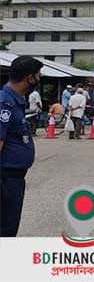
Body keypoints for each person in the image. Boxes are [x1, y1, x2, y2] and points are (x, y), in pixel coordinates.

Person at [1, 55, 44, 236]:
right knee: (5, 229)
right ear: (29, 78)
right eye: (38, 76)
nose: (39, 80)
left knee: (9, 226)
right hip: (5, 179)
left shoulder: (16, 101)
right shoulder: (5, 103)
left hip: (14, 179)